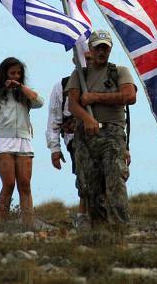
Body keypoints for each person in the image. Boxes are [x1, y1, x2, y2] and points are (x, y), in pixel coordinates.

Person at [65, 30, 137, 231]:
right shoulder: (80, 74)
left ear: (110, 49)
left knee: (114, 181)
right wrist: (87, 118)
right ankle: (99, 231)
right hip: (85, 136)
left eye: (105, 47)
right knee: (89, 185)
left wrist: (95, 97)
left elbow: (129, 96)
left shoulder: (119, 72)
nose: (101, 51)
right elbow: (73, 104)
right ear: (91, 49)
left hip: (112, 134)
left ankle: (121, 229)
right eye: (98, 47)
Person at [0, 57, 43, 227]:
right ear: (4, 74)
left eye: (18, 73)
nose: (15, 76)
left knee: (25, 184)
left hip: (23, 140)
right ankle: (4, 223)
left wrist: (21, 87)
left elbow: (39, 102)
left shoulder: (25, 93)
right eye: (12, 73)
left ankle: (28, 223)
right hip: (2, 141)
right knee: (8, 183)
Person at [46, 51, 93, 224]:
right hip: (74, 138)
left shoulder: (106, 82)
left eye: (89, 57)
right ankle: (83, 215)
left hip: (102, 136)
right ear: (74, 59)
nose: (86, 62)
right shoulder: (62, 86)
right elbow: (54, 120)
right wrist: (55, 149)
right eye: (83, 58)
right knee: (84, 174)